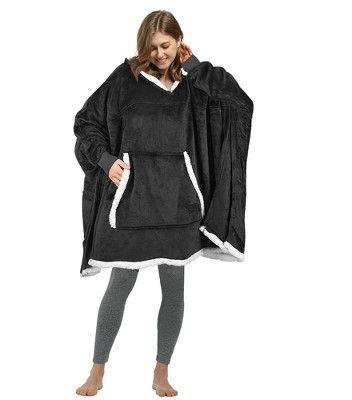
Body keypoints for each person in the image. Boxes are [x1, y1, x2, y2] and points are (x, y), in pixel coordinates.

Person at [73, 10, 253, 397]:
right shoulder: (125, 78)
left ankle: (161, 372)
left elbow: (238, 103)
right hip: (132, 204)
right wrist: (106, 161)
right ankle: (97, 370)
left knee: (174, 290)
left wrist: (197, 67)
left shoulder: (193, 84)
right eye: (152, 47)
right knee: (119, 287)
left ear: (179, 41)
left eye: (166, 45)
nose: (159, 54)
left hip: (179, 205)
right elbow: (86, 121)